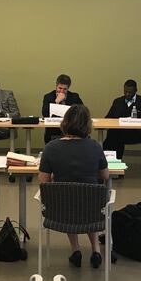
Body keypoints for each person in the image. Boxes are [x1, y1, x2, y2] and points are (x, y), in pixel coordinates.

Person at [39, 105, 108, 269]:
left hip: (61, 211)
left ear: (65, 123)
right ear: (87, 125)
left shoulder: (50, 148)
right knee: (86, 199)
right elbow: (104, 176)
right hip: (92, 210)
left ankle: (76, 250)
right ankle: (96, 250)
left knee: (69, 197)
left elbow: (43, 182)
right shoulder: (95, 147)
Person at [103, 79, 141, 159]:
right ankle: (112, 162)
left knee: (113, 138)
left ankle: (114, 162)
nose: (127, 94)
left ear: (136, 91)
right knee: (113, 136)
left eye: (130, 92)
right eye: (125, 91)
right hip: (119, 133)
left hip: (137, 134)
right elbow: (108, 118)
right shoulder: (117, 102)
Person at [41, 74, 84, 143]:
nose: (61, 91)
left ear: (68, 88)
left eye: (65, 89)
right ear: (56, 86)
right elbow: (45, 114)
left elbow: (82, 112)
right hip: (53, 131)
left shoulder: (74, 97)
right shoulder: (48, 97)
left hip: (70, 130)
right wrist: (57, 102)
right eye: (60, 88)